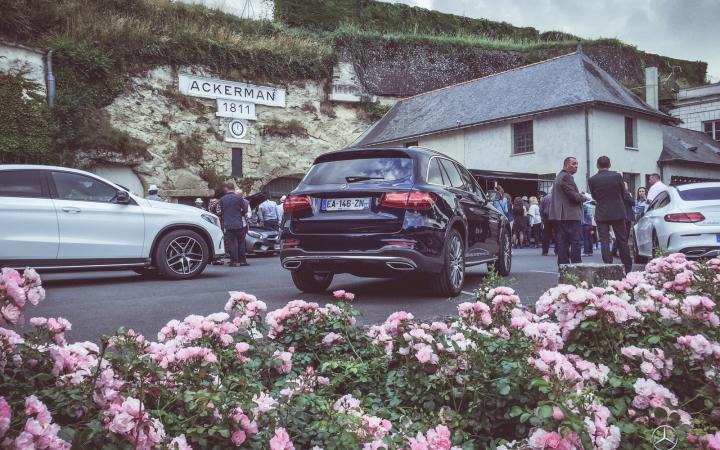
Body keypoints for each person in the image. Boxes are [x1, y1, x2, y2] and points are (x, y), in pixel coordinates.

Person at [587, 156, 633, 273]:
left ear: (597, 165)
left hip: (602, 212)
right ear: (610, 165)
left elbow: (594, 196)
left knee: (604, 240)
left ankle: (608, 265)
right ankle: (627, 267)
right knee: (622, 239)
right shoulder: (617, 176)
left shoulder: (592, 179)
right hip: (618, 211)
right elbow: (623, 193)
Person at [549, 157, 585, 265]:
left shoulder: (559, 177)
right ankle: (576, 267)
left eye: (577, 164)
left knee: (563, 243)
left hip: (561, 216)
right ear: (567, 165)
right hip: (570, 216)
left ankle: (564, 269)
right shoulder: (566, 177)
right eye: (574, 163)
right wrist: (584, 197)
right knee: (575, 242)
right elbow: (573, 196)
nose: (576, 166)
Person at [218, 181, 251, 267]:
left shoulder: (222, 199)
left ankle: (233, 261)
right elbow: (245, 210)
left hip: (228, 224)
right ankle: (243, 261)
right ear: (233, 188)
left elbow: (219, 212)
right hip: (239, 224)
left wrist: (224, 216)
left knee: (231, 243)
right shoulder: (239, 198)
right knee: (241, 242)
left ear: (226, 189)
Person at [540, 189, 555, 256]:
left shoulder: (545, 198)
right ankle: (557, 251)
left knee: (546, 235)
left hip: (547, 218)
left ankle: (545, 251)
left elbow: (541, 209)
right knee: (558, 234)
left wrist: (543, 217)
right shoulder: (557, 197)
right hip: (556, 217)